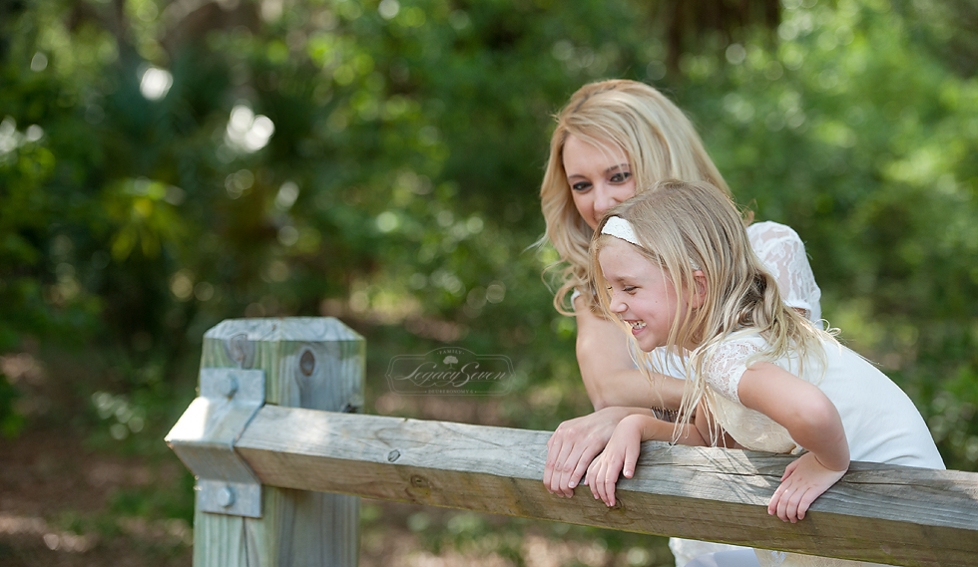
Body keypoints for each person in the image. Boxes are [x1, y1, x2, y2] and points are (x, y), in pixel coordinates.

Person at [584, 180, 945, 567]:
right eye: (610, 288)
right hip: (891, 515)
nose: (616, 305)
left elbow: (813, 411)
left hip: (903, 514)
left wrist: (827, 463)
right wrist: (638, 426)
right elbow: (711, 436)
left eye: (630, 287)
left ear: (696, 286)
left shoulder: (728, 356)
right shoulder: (726, 347)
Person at [539, 79, 822, 565]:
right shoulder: (604, 289)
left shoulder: (767, 250)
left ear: (664, 163)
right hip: (700, 532)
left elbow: (775, 400)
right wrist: (632, 413)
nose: (600, 203)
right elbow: (609, 387)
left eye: (619, 176)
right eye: (582, 185)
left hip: (800, 510)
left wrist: (638, 416)